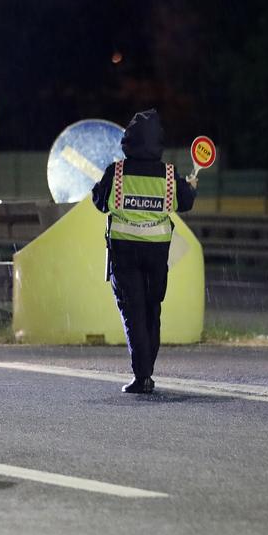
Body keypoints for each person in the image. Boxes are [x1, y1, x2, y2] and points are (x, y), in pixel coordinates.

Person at [90, 109, 196, 395]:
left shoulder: (117, 172)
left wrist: (96, 189)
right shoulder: (170, 174)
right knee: (152, 309)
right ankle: (147, 370)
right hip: (157, 254)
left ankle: (142, 376)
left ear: (130, 140)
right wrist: (191, 188)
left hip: (124, 252)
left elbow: (100, 202)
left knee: (132, 311)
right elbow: (185, 203)